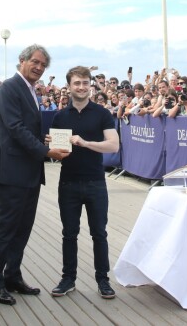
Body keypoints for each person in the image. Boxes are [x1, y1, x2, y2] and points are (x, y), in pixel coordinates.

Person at [0, 44, 70, 306]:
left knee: (22, 229)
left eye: (43, 65)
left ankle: (12, 275)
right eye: (35, 62)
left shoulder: (30, 90)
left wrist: (44, 142)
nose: (38, 67)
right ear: (22, 61)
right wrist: (46, 151)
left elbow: (26, 130)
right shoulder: (9, 88)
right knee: (6, 228)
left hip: (29, 172)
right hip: (12, 172)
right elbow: (15, 128)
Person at [47, 66, 119, 299]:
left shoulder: (102, 113)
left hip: (95, 182)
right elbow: (56, 151)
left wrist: (85, 143)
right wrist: (52, 146)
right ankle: (68, 279)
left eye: (85, 83)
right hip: (68, 182)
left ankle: (103, 280)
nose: (81, 87)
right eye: (77, 83)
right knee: (69, 234)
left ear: (91, 85)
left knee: (99, 233)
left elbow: (113, 145)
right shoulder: (60, 116)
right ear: (69, 86)